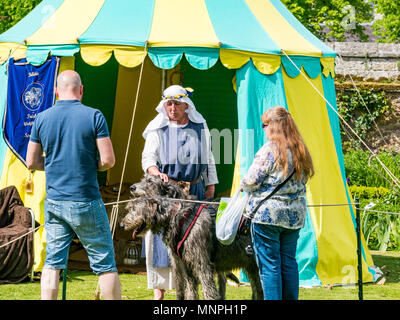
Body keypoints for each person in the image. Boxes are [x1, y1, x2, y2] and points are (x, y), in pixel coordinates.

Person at [26, 70, 122, 300]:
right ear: (81, 90)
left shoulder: (42, 117)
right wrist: (87, 164)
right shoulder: (94, 115)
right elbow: (108, 160)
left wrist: (55, 164)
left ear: (56, 91)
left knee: (52, 263)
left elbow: (31, 161)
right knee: (105, 263)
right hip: (85, 199)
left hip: (55, 201)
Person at [141, 85, 218, 300]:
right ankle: (160, 294)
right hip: (168, 193)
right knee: (162, 243)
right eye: (168, 104)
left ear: (187, 105)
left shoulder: (199, 125)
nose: (172, 108)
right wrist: (156, 172)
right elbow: (148, 158)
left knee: (195, 241)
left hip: (195, 190)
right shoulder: (158, 127)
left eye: (176, 103)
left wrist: (211, 183)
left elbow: (208, 157)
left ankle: (192, 291)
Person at [240, 106, 314, 300]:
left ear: (272, 127)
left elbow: (251, 180)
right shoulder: (301, 149)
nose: (263, 129)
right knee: (289, 263)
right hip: (295, 216)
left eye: (264, 125)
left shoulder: (269, 150)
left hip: (267, 217)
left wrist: (242, 184)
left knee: (269, 266)